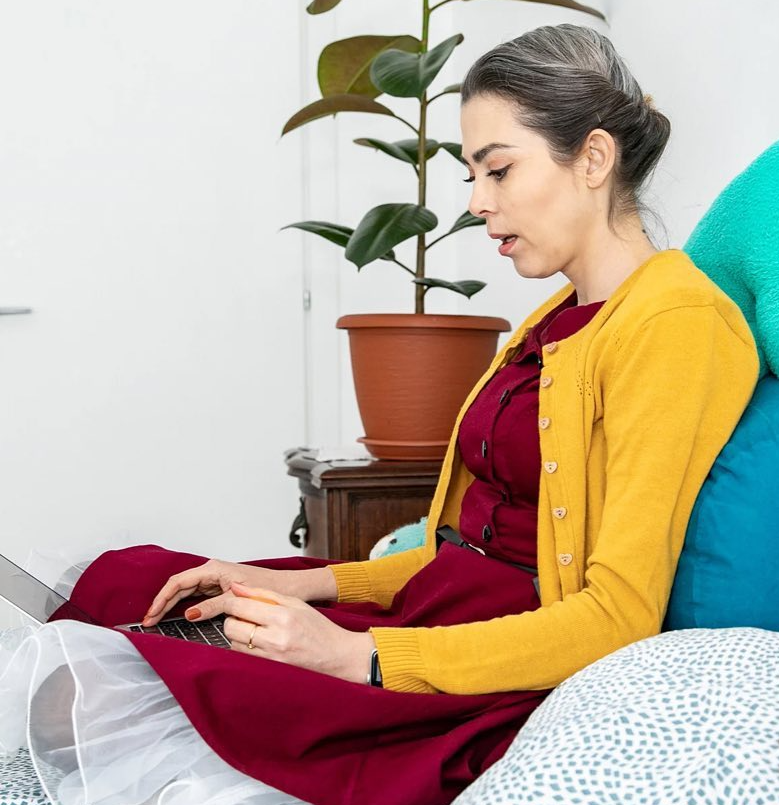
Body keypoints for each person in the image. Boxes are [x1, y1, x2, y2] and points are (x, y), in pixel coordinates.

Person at [0, 22, 759, 805]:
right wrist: (305, 586)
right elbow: (456, 548)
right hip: (431, 602)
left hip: (480, 660)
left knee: (80, 694)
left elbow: (614, 616)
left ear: (593, 158)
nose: (476, 204)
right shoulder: (559, 317)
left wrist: (354, 656)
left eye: (497, 171)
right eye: (474, 175)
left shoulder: (674, 323)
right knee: (137, 581)